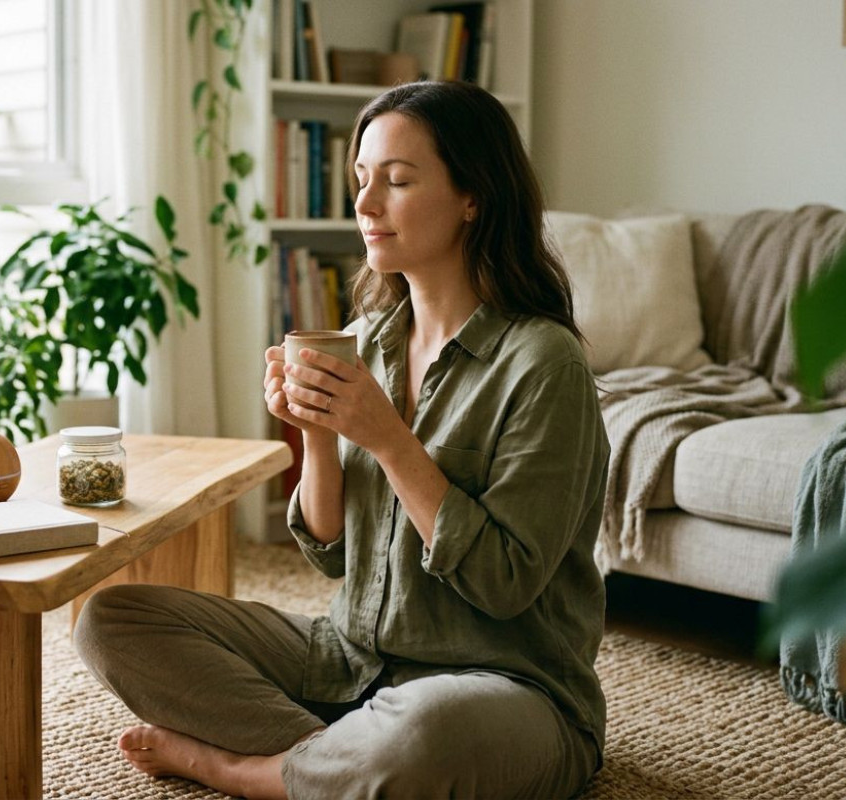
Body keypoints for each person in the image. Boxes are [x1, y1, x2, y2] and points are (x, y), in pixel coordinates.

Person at [74, 80, 610, 800]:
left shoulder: (545, 364)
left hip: (502, 684)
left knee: (425, 734)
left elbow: (504, 584)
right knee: (111, 619)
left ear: (472, 196)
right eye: (362, 180)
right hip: (352, 662)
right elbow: (329, 552)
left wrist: (390, 440)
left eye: (396, 180)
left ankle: (238, 768)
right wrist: (314, 436)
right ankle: (340, 763)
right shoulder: (366, 342)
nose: (364, 204)